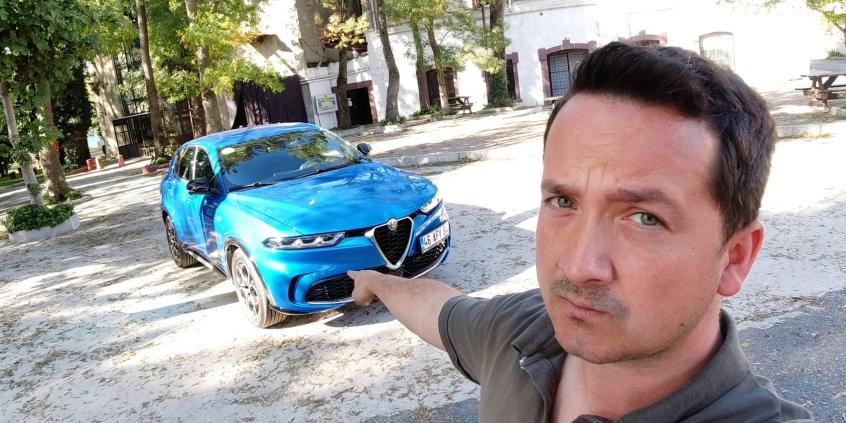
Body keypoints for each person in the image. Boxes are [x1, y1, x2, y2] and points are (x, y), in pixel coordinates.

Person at [347, 42, 814, 422]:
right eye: (564, 202)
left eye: (645, 218)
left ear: (735, 257)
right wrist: (376, 281)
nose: (577, 266)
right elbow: (438, 308)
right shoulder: (520, 333)